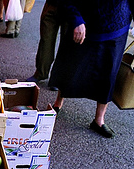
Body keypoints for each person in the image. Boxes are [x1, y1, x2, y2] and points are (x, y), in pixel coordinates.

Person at [49, 0, 134, 138]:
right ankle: (58, 102)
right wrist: (76, 20)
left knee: (109, 73)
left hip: (118, 25)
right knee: (69, 65)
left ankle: (99, 120)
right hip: (84, 22)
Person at [27, 0, 63, 88]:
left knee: (66, 44)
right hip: (52, 4)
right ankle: (41, 72)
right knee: (46, 40)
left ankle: (59, 78)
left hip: (73, 6)